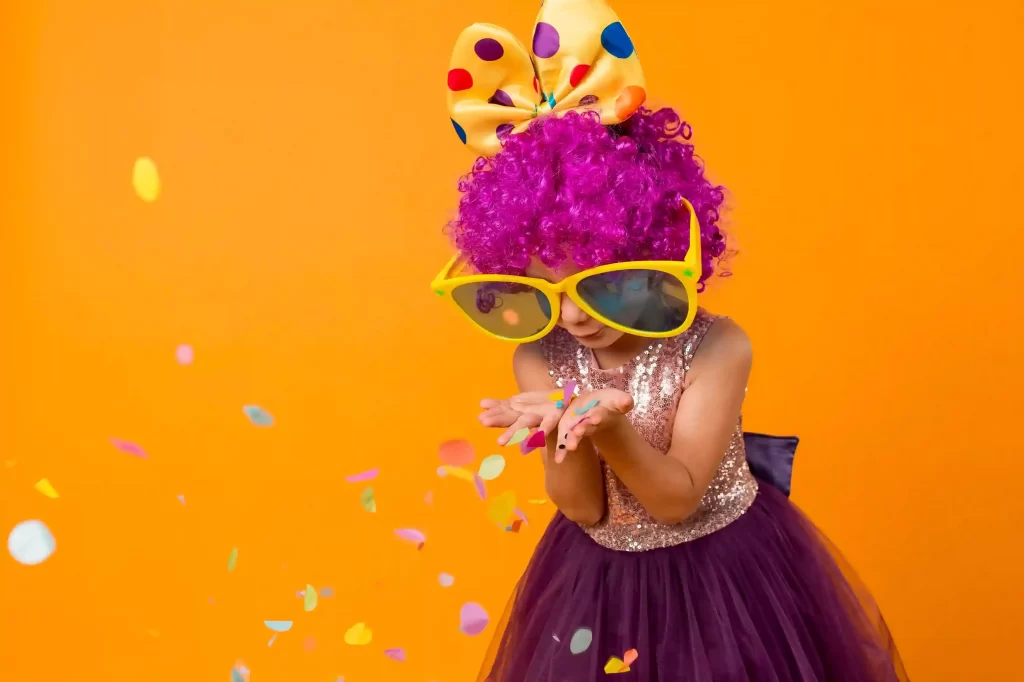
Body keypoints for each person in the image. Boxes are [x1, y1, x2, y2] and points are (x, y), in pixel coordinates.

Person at [432, 1, 909, 679]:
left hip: (726, 579)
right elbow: (581, 506)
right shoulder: (538, 355)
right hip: (597, 581)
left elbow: (675, 499)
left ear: (649, 249)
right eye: (546, 286)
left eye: (598, 280)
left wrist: (603, 420)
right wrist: (565, 432)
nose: (571, 316)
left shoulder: (716, 346)